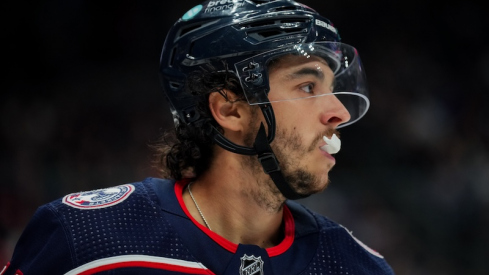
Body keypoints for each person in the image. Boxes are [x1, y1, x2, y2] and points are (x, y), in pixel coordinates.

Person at [2, 0, 395, 274]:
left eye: (332, 88)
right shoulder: (82, 239)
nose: (339, 113)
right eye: (308, 87)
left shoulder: (359, 266)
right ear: (229, 110)